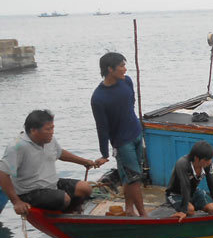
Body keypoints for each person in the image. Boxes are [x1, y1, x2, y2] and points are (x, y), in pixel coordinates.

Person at [0, 110, 103, 216]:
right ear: (33, 130)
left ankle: (72, 214)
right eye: (48, 129)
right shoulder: (17, 147)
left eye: (52, 128)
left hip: (51, 184)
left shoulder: (49, 140)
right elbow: (3, 173)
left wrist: (84, 162)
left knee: (86, 188)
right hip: (29, 192)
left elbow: (60, 153)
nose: (52, 132)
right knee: (64, 199)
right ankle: (63, 216)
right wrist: (16, 202)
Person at [90, 52, 147, 216]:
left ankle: (129, 209)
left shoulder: (126, 81)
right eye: (121, 66)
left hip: (136, 132)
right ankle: (143, 214)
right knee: (134, 178)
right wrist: (104, 153)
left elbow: (132, 101)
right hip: (122, 142)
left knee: (131, 176)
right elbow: (102, 128)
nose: (125, 69)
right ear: (110, 69)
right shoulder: (98, 98)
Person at [165, 141, 213, 222]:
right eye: (207, 160)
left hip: (193, 192)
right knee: (190, 210)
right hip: (175, 194)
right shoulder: (182, 163)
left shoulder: (208, 164)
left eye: (210, 159)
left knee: (212, 208)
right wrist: (183, 211)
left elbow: (212, 184)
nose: (210, 162)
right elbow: (185, 186)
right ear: (196, 158)